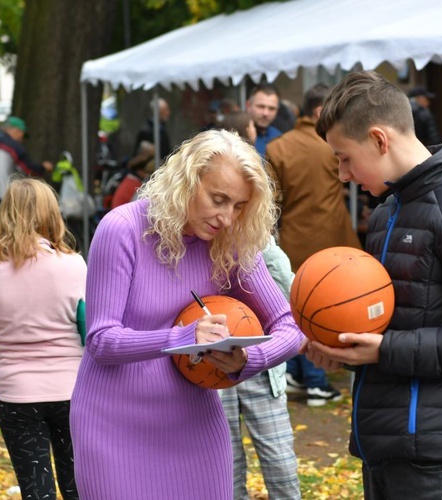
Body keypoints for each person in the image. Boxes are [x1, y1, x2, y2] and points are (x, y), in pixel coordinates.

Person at [308, 70, 442, 499]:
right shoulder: (386, 212)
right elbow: (404, 323)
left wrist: (384, 350)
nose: (342, 174)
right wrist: (348, 350)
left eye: (344, 157)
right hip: (385, 445)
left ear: (378, 139)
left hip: (438, 459)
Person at [69, 129, 305, 499]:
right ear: (186, 182)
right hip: (114, 425)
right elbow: (101, 340)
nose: (227, 217)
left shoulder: (230, 244)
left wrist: (245, 360)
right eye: (218, 199)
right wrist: (181, 337)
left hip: (195, 424)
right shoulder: (122, 229)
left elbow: (292, 326)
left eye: (240, 206)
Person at [0, 178, 86, 500]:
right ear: (52, 215)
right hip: (71, 390)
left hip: (16, 394)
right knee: (78, 485)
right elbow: (88, 326)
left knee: (36, 490)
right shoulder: (74, 266)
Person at [217, 111, 301, 499]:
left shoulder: (256, 238)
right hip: (225, 358)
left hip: (255, 358)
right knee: (235, 456)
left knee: (266, 454)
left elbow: (285, 292)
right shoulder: (219, 233)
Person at [266, 83, 361, 406]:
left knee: (294, 309)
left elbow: (272, 200)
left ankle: (294, 370)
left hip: (292, 240)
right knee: (324, 312)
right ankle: (318, 382)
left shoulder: (278, 147)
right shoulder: (331, 145)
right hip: (332, 243)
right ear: (320, 111)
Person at [0, 116, 54, 266]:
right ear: (16, 131)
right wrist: (44, 168)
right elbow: (29, 171)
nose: (21, 139)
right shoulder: (13, 146)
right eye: (21, 134)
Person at [246, 83, 282, 156]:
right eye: (261, 106)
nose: (265, 113)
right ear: (248, 105)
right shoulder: (233, 134)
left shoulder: (279, 137)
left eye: (272, 108)